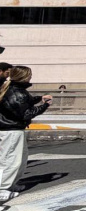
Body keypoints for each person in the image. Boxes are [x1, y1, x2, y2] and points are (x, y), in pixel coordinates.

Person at [0, 66, 52, 201]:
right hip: (11, 130)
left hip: (12, 129)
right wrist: (45, 105)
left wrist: (39, 98)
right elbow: (26, 113)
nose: (31, 77)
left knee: (19, 159)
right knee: (10, 160)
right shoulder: (17, 92)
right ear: (23, 77)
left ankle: (11, 184)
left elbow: (24, 102)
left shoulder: (15, 90)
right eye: (29, 75)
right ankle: (3, 188)